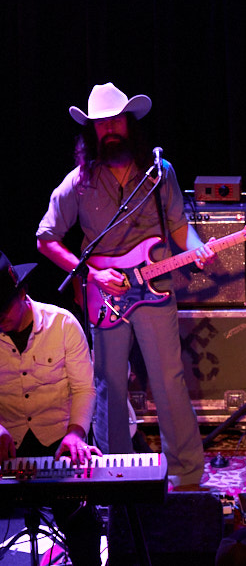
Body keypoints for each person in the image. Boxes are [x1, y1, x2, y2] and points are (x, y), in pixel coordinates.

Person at [36, 82, 214, 489]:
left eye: (116, 120)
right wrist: (91, 274)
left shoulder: (158, 172)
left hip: (155, 290)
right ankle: (113, 475)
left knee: (168, 378)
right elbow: (45, 238)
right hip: (104, 295)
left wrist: (199, 248)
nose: (110, 130)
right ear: (91, 132)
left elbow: (180, 227)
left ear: (130, 123)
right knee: (109, 384)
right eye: (101, 124)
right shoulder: (77, 183)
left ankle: (186, 474)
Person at [0, 250, 103, 566]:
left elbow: (84, 387)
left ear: (22, 293)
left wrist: (76, 433)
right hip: (7, 442)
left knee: (82, 521)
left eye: (2, 314)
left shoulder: (63, 324)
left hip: (59, 438)